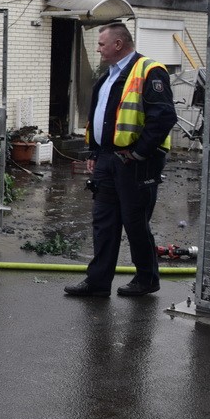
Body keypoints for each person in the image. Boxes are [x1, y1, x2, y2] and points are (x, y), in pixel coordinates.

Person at [64, 21, 177, 298]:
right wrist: (95, 152)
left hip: (136, 163)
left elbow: (163, 117)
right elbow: (102, 117)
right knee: (104, 221)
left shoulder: (150, 71)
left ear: (118, 44)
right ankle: (98, 282)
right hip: (107, 161)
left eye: (102, 44)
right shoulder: (108, 76)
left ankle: (146, 279)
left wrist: (139, 153)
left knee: (135, 221)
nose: (98, 49)